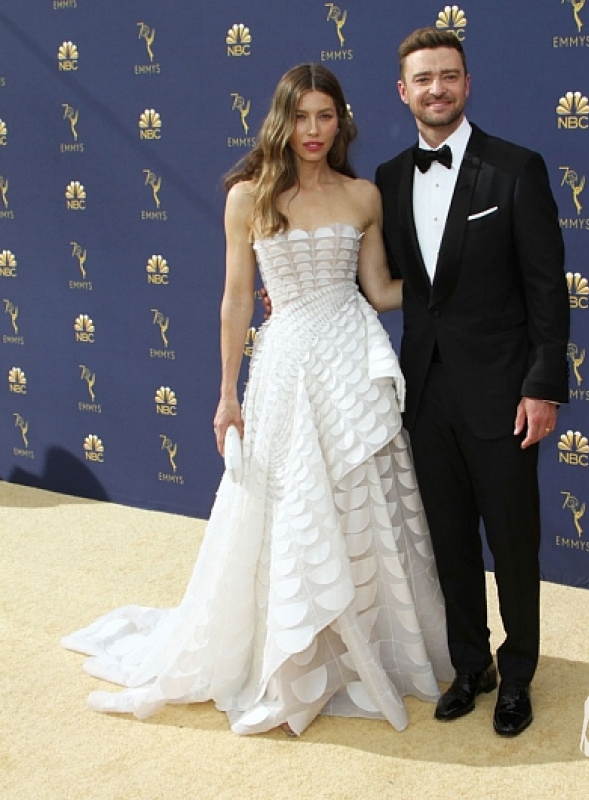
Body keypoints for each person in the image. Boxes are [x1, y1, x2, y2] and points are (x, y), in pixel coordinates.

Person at [61, 63, 452, 737]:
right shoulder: (248, 197)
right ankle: (290, 655)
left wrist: (456, 282)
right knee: (292, 505)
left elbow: (381, 290)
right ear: (280, 121)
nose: (313, 130)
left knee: (360, 498)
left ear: (341, 122)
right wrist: (225, 395)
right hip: (287, 364)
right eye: (300, 116)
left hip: (350, 363)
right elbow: (237, 300)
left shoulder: (364, 196)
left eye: (325, 116)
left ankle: (365, 646)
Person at [374, 29, 570, 737]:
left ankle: (517, 675)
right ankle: (470, 665)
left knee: (513, 543)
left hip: (504, 393)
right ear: (403, 90)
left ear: (467, 83)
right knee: (448, 541)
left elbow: (547, 289)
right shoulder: (389, 177)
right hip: (424, 393)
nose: (437, 89)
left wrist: (542, 386)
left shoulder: (516, 169)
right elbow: (382, 280)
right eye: (424, 78)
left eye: (449, 76)